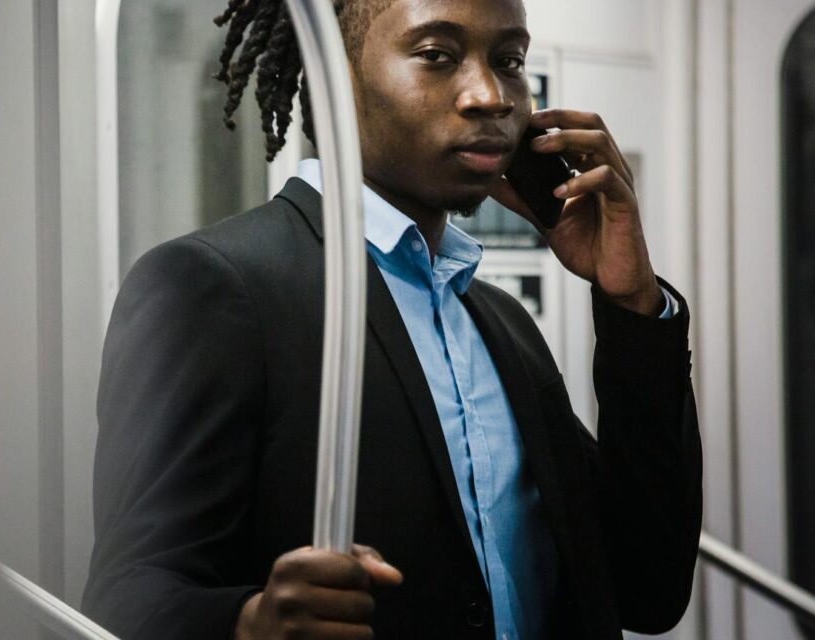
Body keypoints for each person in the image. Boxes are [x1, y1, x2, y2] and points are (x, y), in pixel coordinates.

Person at [81, 0, 702, 637]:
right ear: (333, 74)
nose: (492, 95)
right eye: (437, 55)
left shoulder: (501, 325)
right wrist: (247, 623)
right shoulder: (214, 287)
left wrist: (632, 305)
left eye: (509, 61)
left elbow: (647, 587)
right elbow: (124, 601)